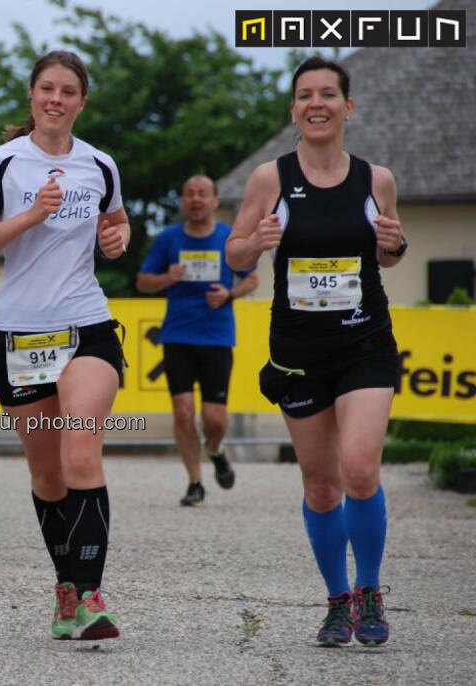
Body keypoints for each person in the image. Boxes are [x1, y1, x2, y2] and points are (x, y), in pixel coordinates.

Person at [227, 56, 406, 647]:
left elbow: (388, 250)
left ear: (347, 107)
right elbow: (235, 255)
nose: (316, 104)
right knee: (321, 485)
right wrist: (255, 241)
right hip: (299, 350)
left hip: (365, 343)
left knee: (358, 469)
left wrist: (395, 244)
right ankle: (338, 600)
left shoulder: (375, 179)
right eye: (305, 95)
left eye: (328, 94)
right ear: (294, 110)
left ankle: (372, 590)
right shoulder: (269, 179)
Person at [0, 50, 129, 641]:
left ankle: (90, 596)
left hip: (88, 325)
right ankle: (66, 588)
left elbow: (118, 222)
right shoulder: (4, 164)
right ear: (31, 96)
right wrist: (31, 216)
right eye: (47, 89)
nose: (56, 100)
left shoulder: (100, 164)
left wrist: (117, 239)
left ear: (82, 101)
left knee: (81, 449)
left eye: (68, 91)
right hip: (22, 333)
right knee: (49, 475)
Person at [136, 175, 258, 506]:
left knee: (215, 419)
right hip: (177, 334)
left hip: (217, 335)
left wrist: (229, 293)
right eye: (189, 193)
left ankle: (215, 451)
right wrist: (166, 278)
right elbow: (143, 281)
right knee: (182, 412)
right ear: (183, 201)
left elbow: (252, 279)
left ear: (216, 200)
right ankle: (195, 482)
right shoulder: (168, 238)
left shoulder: (229, 237)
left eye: (203, 193)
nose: (196, 199)